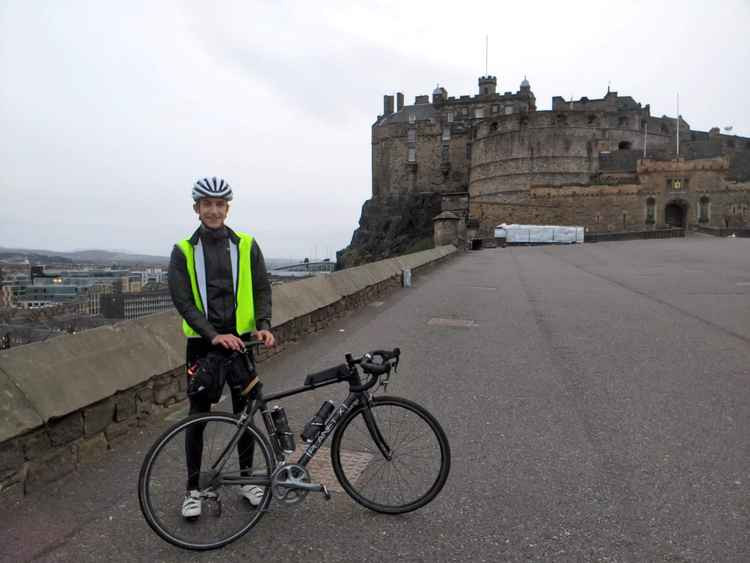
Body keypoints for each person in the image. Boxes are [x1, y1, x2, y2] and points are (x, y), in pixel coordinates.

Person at [168, 177, 275, 518]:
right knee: (197, 418)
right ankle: (193, 490)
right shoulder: (183, 251)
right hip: (204, 346)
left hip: (241, 344)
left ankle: (246, 480)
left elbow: (261, 289)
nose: (213, 210)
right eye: (206, 204)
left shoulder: (246, 244)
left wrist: (263, 325)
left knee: (245, 414)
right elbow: (184, 302)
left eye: (219, 204)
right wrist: (213, 335)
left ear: (227, 208)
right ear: (196, 209)